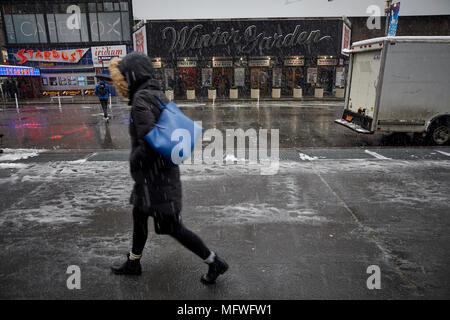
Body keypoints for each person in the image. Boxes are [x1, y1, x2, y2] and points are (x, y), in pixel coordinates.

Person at [108, 52, 228, 285]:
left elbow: (149, 143)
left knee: (172, 227)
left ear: (132, 76)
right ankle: (134, 262)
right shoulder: (156, 95)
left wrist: (134, 161)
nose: (119, 83)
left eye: (122, 77)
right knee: (139, 216)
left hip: (156, 180)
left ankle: (215, 262)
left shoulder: (142, 99)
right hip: (156, 177)